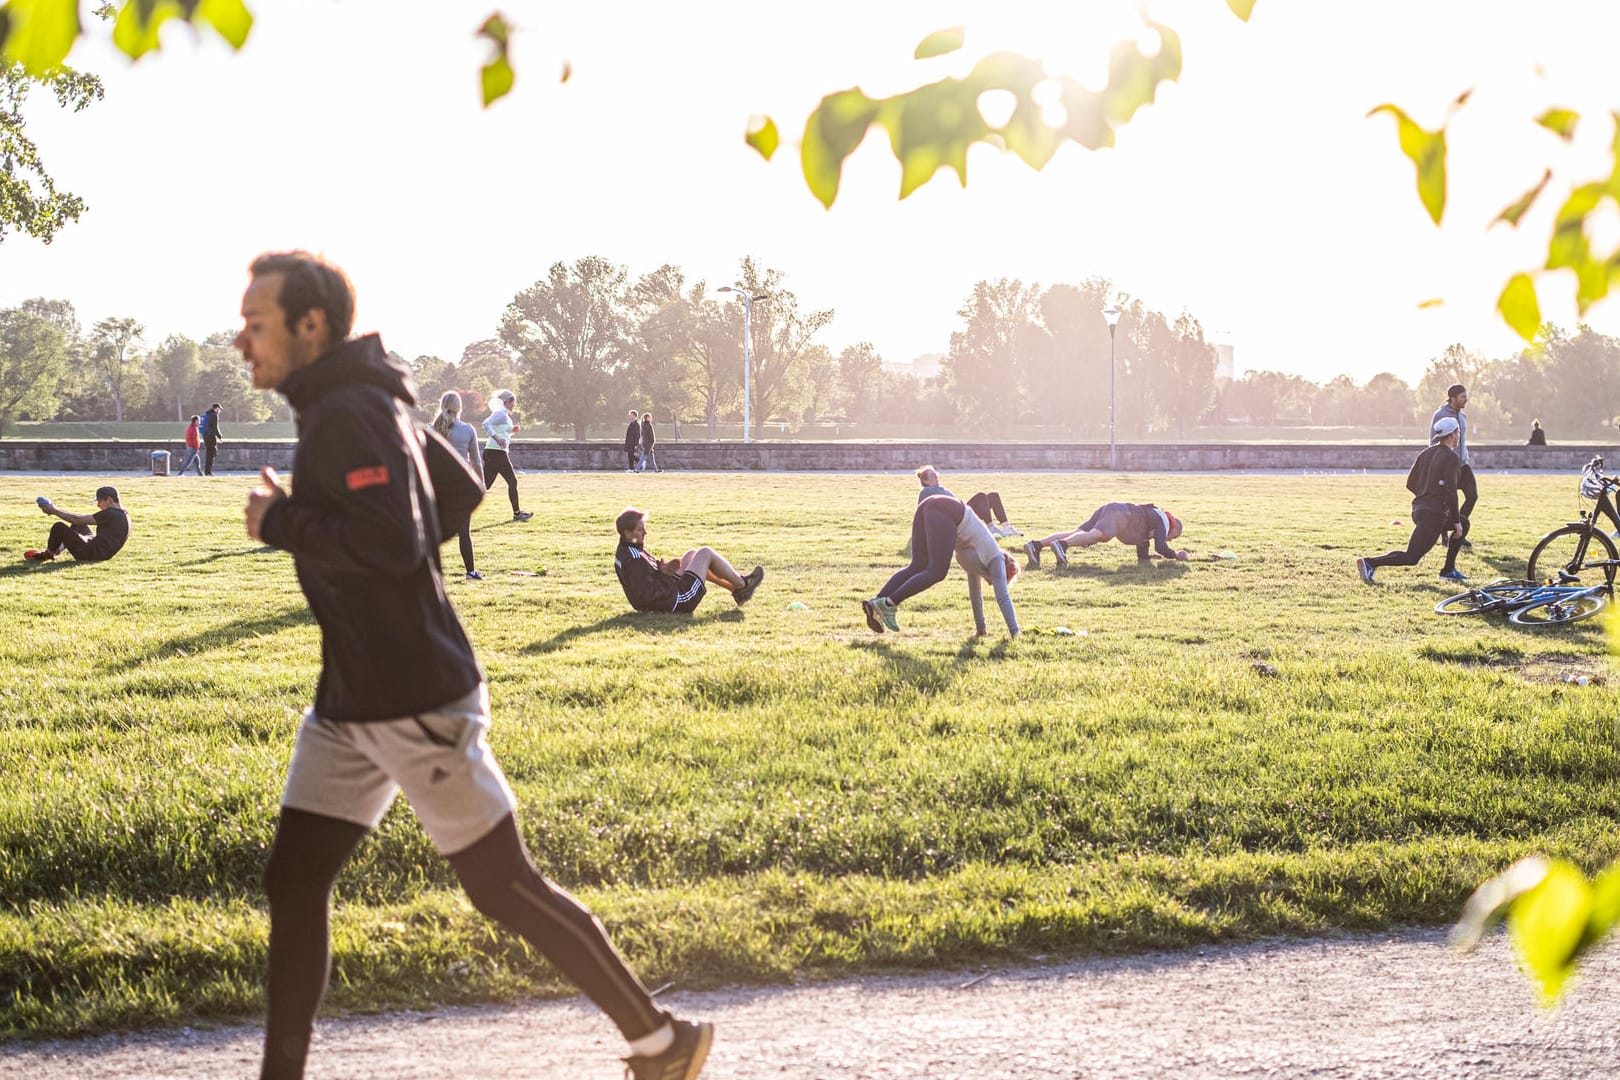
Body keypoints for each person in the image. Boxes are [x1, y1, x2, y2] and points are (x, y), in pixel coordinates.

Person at [234, 251, 712, 1080]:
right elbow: (459, 491)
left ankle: (662, 1041)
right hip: (350, 702)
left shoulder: (350, 410)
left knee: (503, 886)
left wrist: (282, 523)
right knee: (296, 878)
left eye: (256, 323)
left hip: (413, 695)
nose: (241, 341)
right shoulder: (365, 401)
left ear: (310, 326)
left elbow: (393, 539)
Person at [863, 493, 1021, 636]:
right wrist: (1016, 633)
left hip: (929, 505)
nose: (992, 582)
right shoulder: (996, 557)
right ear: (1004, 570)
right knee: (937, 571)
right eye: (999, 580)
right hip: (945, 511)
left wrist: (981, 630)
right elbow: (1003, 598)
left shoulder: (977, 559)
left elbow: (975, 595)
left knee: (918, 566)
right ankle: (889, 604)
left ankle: (875, 603)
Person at [1357, 416, 1468, 584]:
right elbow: (1451, 491)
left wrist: (1425, 495)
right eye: (1458, 432)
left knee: (1465, 523)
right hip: (1433, 514)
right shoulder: (1451, 458)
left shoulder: (1425, 453)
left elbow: (1410, 483)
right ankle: (1370, 562)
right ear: (1453, 434)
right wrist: (1455, 520)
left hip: (1420, 510)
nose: (1459, 436)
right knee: (1411, 557)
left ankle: (1448, 570)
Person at [614, 507, 762, 612]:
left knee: (692, 554)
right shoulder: (634, 558)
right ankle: (743, 585)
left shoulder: (629, 549)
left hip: (665, 594)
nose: (645, 532)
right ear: (627, 532)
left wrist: (661, 569)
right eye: (640, 530)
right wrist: (665, 575)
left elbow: (644, 581)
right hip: (675, 601)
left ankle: (735, 589)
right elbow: (646, 595)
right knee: (705, 553)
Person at [1023, 503, 1188, 569]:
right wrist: (1176, 555)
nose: (1170, 539)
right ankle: (1062, 545)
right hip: (1122, 514)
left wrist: (1146, 557)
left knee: (1078, 533)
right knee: (1098, 535)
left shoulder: (1153, 517)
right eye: (1173, 537)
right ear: (1173, 527)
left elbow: (1143, 541)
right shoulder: (1163, 522)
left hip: (1113, 507)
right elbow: (1161, 546)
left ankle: (1035, 545)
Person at [433, 390, 485, 581]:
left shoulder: (432, 430)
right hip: (459, 486)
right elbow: (477, 462)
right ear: (459, 407)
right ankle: (471, 572)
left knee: (431, 532)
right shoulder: (467, 430)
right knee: (464, 532)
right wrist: (482, 484)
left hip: (436, 486)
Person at [25, 486, 130, 564]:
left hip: (92, 555)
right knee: (79, 526)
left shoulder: (111, 513)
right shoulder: (123, 514)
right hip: (100, 551)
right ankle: (58, 549)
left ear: (109, 500)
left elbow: (77, 519)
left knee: (59, 527)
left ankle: (47, 555)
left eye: (100, 501)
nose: (98, 505)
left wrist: (54, 511)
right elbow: (80, 521)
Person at [914, 465, 1022, 537]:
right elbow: (925, 512)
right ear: (925, 481)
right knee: (981, 497)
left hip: (960, 512)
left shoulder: (940, 489)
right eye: (933, 476)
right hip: (956, 520)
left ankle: (1006, 527)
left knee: (993, 496)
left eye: (936, 475)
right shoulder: (926, 491)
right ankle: (991, 528)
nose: (937, 477)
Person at [1429, 384, 1475, 547]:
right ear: (1453, 398)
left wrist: (1465, 458)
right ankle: (1445, 535)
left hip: (1462, 463)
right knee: (1446, 499)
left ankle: (1458, 530)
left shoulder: (1462, 417)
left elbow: (1462, 441)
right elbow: (1433, 439)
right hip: (1446, 464)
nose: (1466, 399)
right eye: (1463, 397)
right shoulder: (1440, 414)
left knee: (1472, 495)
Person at [482, 389, 531, 521]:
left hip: (493, 452)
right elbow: (486, 424)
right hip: (496, 452)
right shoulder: (501, 414)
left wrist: (512, 430)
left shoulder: (504, 416)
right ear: (506, 402)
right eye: (513, 401)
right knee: (512, 481)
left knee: (483, 486)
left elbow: (502, 430)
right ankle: (517, 513)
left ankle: (459, 509)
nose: (514, 404)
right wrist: (497, 439)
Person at [200, 402, 224, 475]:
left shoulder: (207, 414)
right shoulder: (214, 415)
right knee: (211, 453)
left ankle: (207, 471)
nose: (220, 411)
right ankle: (208, 472)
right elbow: (215, 427)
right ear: (216, 408)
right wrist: (220, 436)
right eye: (219, 409)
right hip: (210, 437)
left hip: (205, 436)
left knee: (209, 454)